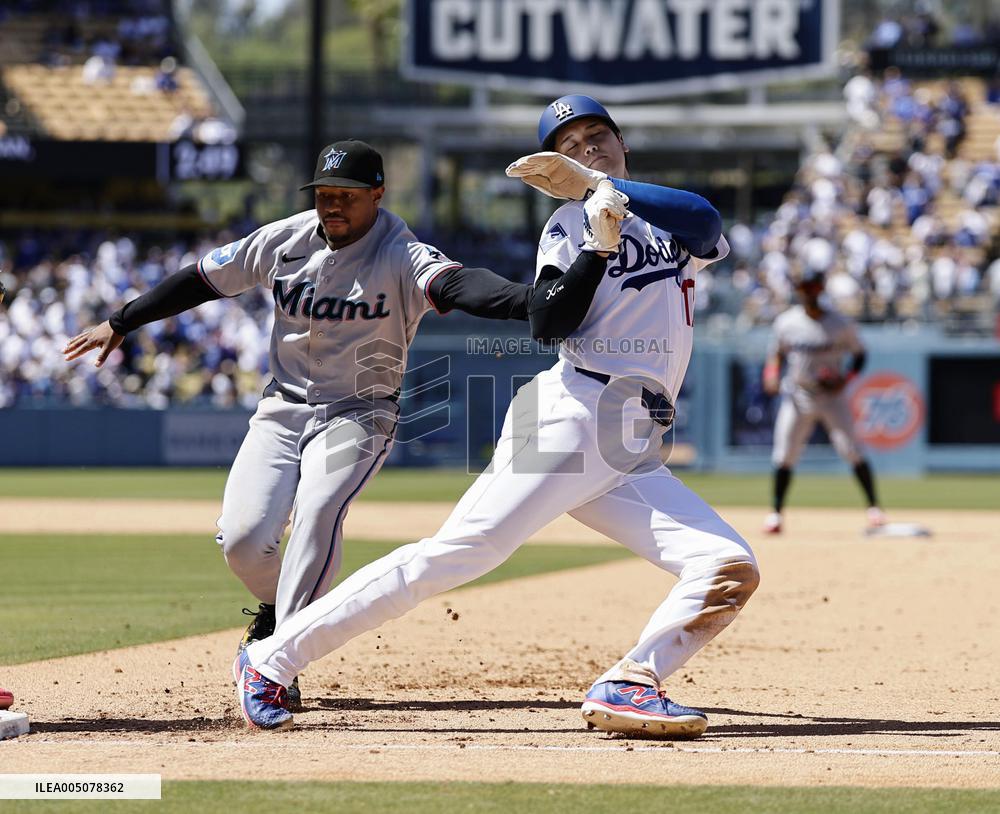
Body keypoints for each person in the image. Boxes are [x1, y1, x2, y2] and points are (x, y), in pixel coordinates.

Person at [234, 96, 759, 737]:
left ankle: (629, 682)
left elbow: (705, 220)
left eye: (598, 135)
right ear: (551, 169)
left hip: (628, 442)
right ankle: (269, 659)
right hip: (572, 413)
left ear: (622, 146)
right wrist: (597, 239)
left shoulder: (663, 218)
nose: (587, 145)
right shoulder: (569, 225)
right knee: (459, 553)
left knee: (725, 564)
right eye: (569, 144)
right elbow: (549, 321)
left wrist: (604, 186)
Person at [63, 140, 532, 709]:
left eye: (347, 197)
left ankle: (274, 665)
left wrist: (532, 301)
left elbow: (458, 286)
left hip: (360, 412)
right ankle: (276, 616)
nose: (332, 206)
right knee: (240, 539)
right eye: (324, 195)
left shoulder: (401, 251)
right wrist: (122, 321)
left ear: (378, 195)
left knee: (317, 510)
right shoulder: (282, 239)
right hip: (282, 408)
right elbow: (200, 278)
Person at [762, 269, 886, 534]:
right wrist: (771, 375)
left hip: (832, 396)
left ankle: (874, 508)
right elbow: (776, 355)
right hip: (798, 393)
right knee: (785, 453)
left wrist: (847, 378)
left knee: (852, 449)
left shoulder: (840, 323)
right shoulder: (787, 322)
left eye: (812, 286)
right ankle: (775, 514)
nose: (807, 291)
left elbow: (860, 355)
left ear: (820, 289)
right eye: (803, 287)